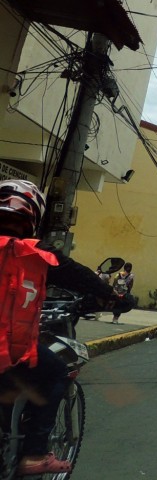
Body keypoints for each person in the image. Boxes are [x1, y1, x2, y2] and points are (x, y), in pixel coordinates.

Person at [0, 180, 115, 475]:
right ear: (33, 216)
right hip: (8, 348)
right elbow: (82, 278)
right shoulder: (37, 254)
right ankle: (35, 453)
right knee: (57, 372)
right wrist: (114, 298)